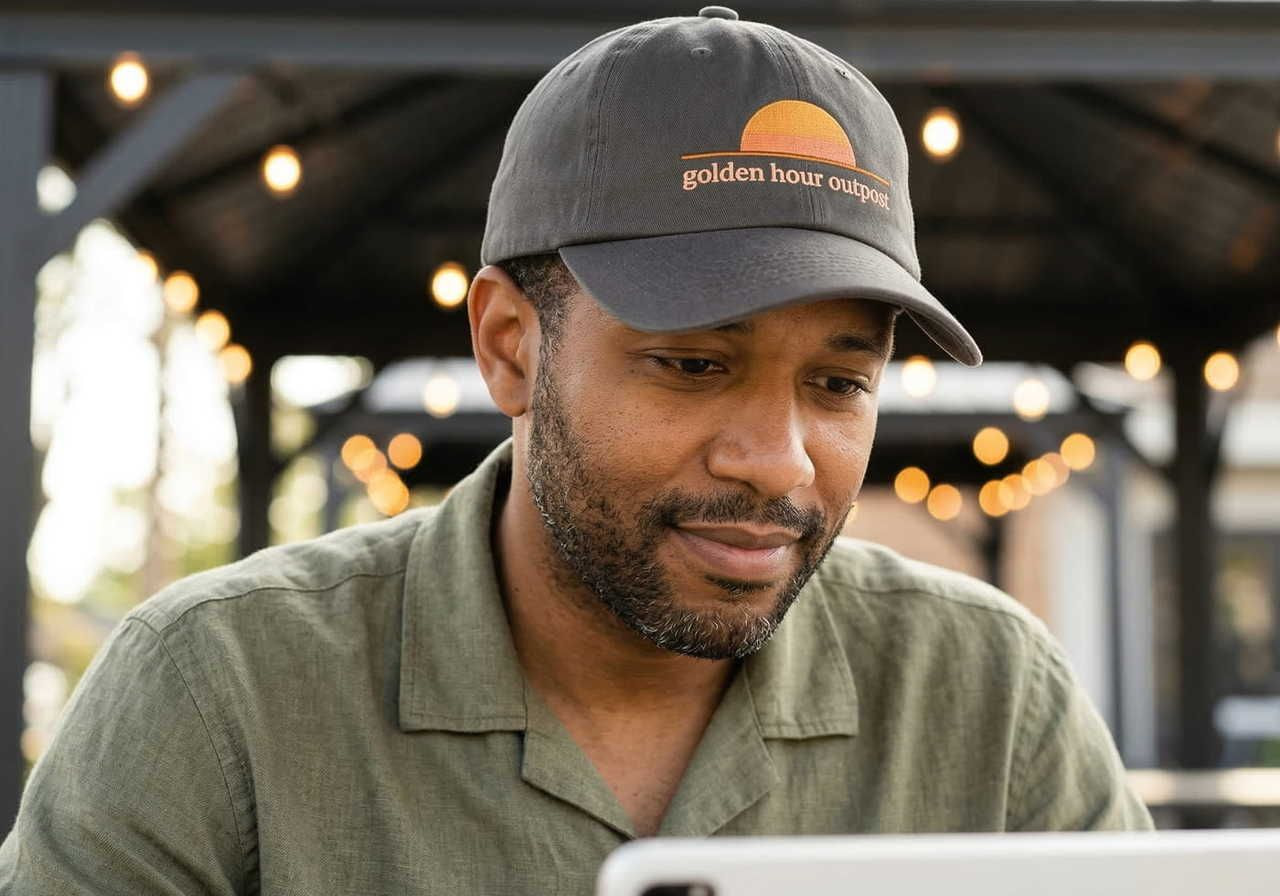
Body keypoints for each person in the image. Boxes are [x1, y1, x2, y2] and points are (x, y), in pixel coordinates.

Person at [0, 6, 1152, 895]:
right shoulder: (217, 688)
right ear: (510, 345)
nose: (779, 460)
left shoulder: (991, 700)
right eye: (694, 363)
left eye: (838, 382)